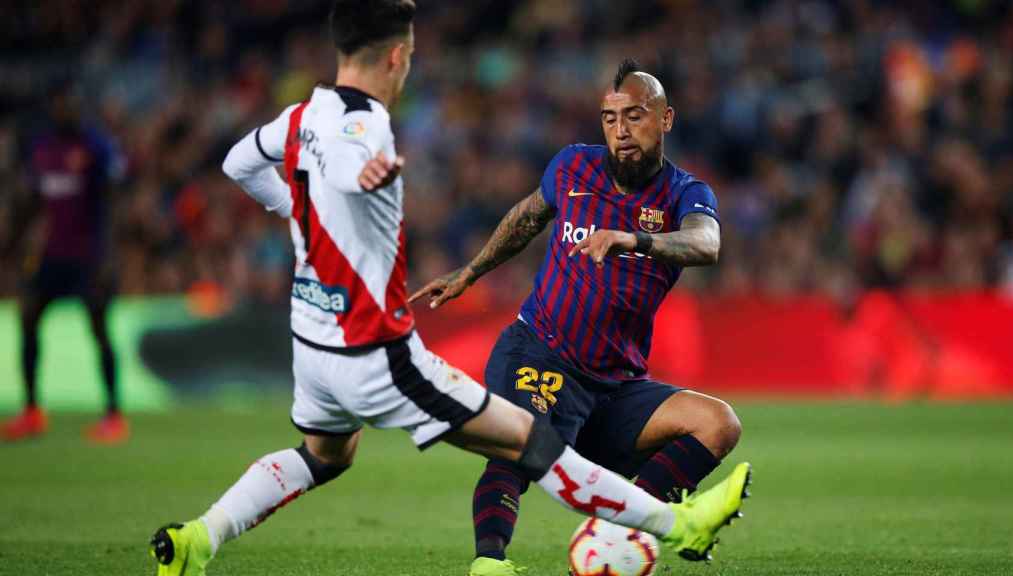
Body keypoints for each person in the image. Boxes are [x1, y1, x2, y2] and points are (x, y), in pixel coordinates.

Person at [149, 3, 750, 575]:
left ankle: (197, 538)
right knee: (527, 443)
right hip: (379, 349)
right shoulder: (369, 131)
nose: (409, 66)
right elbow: (348, 169)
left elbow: (237, 164)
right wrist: (357, 181)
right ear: (394, 57)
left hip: (315, 343)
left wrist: (303, 214)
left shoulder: (301, 117)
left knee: (324, 456)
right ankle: (672, 526)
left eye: (633, 116)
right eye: (408, 56)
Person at [410, 59, 744, 575]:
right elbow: (526, 218)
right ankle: (488, 563)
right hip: (541, 351)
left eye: (634, 116)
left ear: (666, 119)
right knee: (516, 444)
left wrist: (636, 240)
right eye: (610, 119)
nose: (621, 131)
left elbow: (706, 242)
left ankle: (620, 534)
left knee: (718, 424)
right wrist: (471, 270)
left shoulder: (685, 193)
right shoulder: (572, 167)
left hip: (615, 383)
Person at [1, 84, 127, 444]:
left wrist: (108, 255)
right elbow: (32, 201)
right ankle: (31, 411)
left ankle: (114, 414)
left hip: (89, 255)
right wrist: (12, 246)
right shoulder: (42, 148)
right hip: (51, 253)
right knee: (27, 317)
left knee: (99, 328)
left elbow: (111, 202)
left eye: (69, 104)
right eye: (59, 104)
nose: (64, 111)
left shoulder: (96, 147)